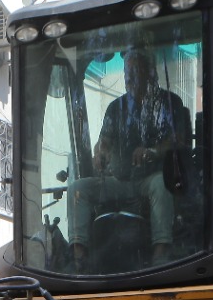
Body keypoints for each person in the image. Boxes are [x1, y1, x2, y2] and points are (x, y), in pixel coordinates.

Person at [83, 47, 193, 265]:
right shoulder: (115, 108)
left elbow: (178, 139)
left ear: (150, 72)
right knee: (78, 189)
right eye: (126, 73)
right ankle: (80, 258)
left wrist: (152, 151)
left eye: (134, 72)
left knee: (162, 186)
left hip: (152, 178)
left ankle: (161, 252)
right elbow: (103, 142)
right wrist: (100, 153)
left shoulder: (171, 103)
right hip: (119, 180)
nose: (128, 78)